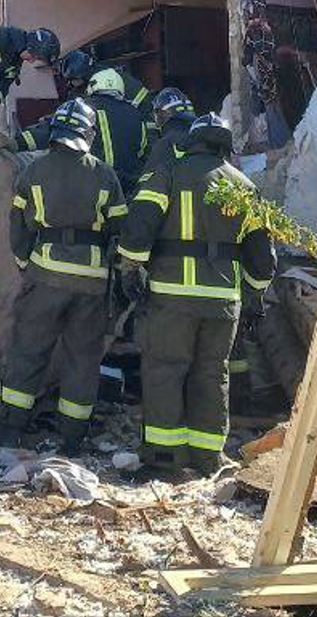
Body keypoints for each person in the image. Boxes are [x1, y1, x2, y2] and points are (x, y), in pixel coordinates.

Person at [116, 113, 277, 477]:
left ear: (191, 142)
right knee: (212, 374)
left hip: (172, 296)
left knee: (166, 370)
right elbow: (262, 258)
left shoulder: (168, 174)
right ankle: (207, 458)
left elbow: (139, 226)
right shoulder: (244, 186)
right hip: (223, 301)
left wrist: (130, 269)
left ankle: (164, 459)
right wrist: (254, 296)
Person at [0, 99, 126, 453]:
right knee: (82, 357)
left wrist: (25, 264)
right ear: (88, 134)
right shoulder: (105, 174)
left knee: (28, 350)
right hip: (92, 281)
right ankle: (72, 439)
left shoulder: (33, 172)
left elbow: (18, 228)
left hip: (45, 274)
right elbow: (120, 228)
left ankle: (11, 430)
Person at [84, 68, 148, 194]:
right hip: (129, 185)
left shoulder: (84, 108)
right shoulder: (134, 113)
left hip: (95, 183)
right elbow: (141, 149)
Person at [145, 87, 196, 162]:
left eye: (156, 112)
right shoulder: (203, 137)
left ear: (163, 113)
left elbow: (151, 167)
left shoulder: (163, 144)